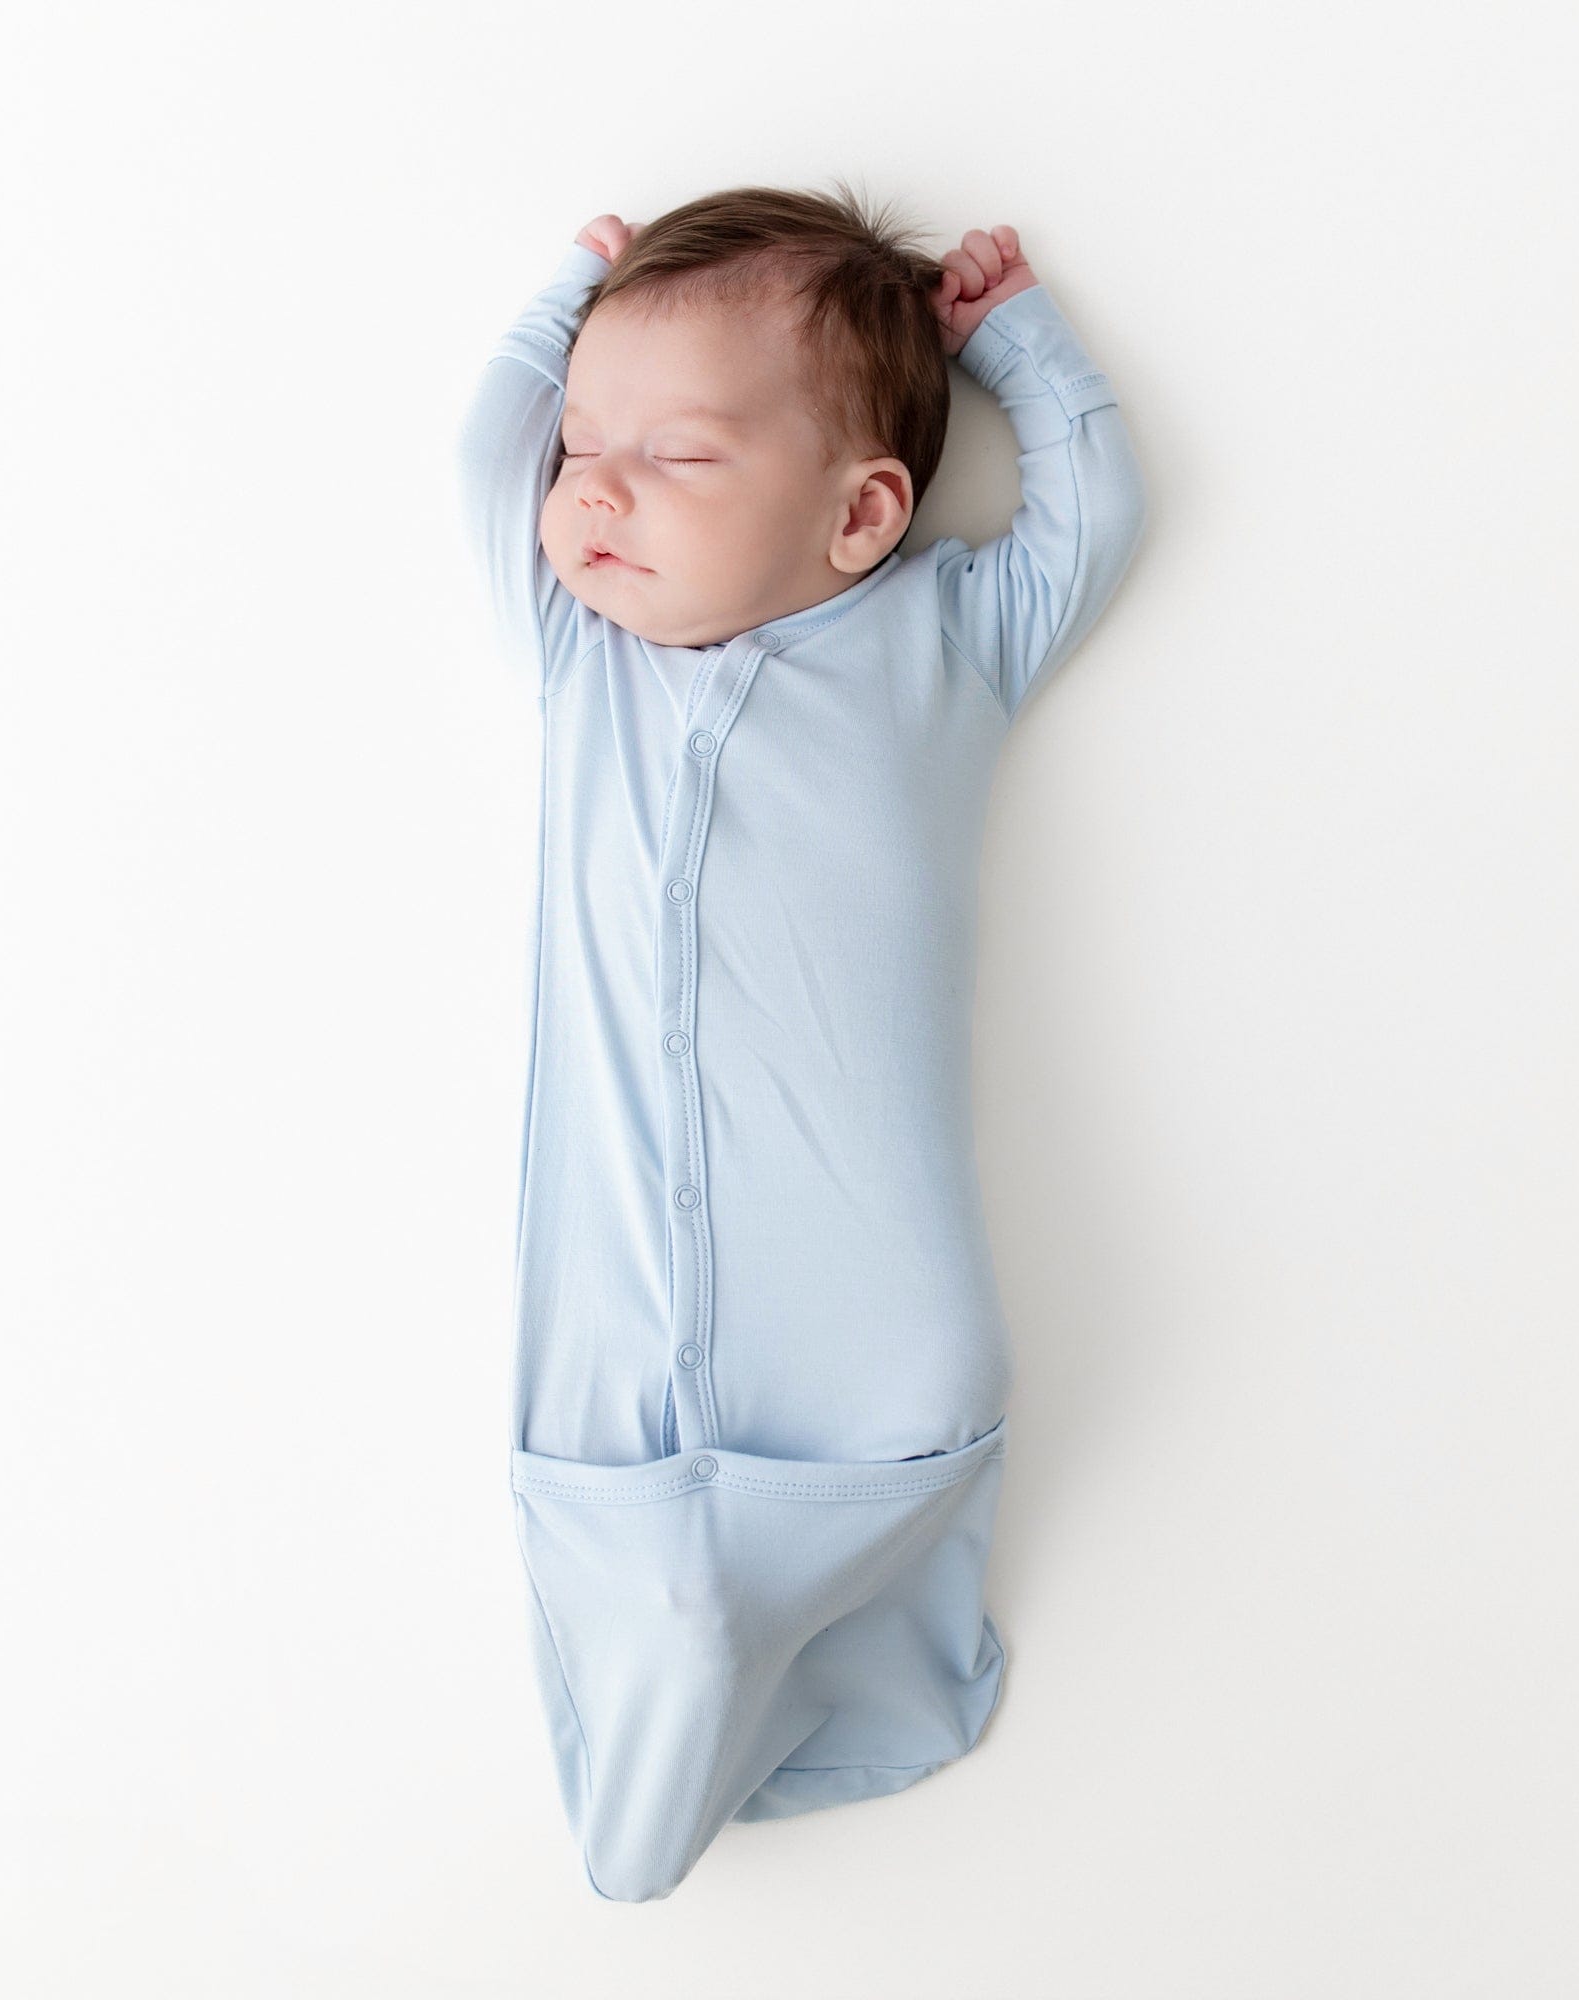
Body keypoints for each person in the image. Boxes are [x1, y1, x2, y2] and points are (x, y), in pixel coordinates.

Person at [455, 178, 1148, 1902]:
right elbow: (488, 458)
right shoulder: (585, 656)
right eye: (582, 447)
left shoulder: (942, 641)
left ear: (862, 511)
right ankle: (654, 1777)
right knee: (642, 1562)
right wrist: (562, 313)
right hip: (613, 1314)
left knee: (896, 1440)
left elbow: (1095, 509)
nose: (592, 486)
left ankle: (833, 1679)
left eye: (675, 454)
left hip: (874, 1309)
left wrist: (1017, 344)